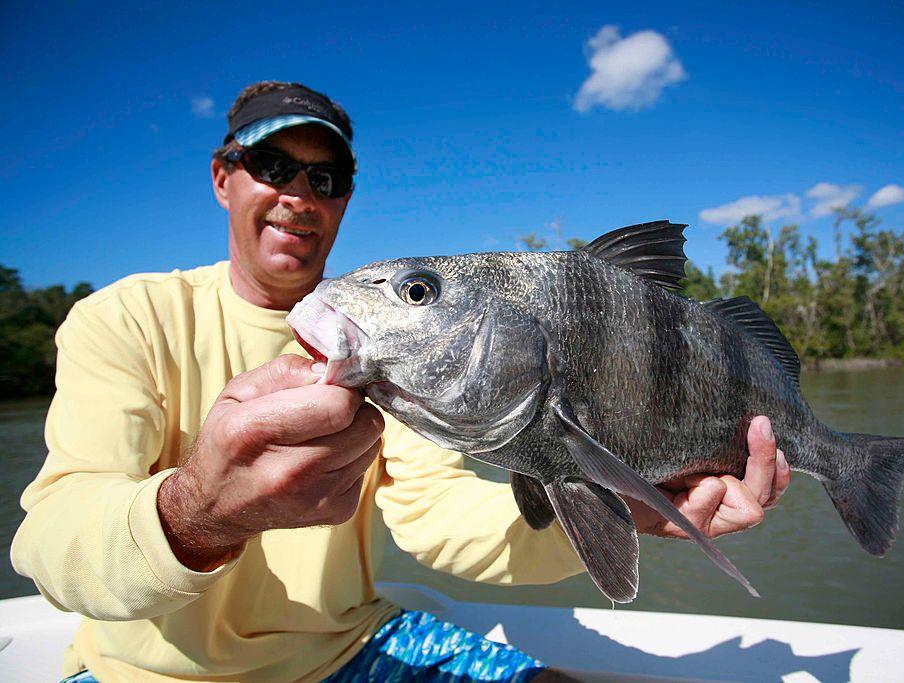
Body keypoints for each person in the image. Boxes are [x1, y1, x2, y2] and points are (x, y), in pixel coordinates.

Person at [11, 81, 790, 682]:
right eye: (273, 166)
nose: (300, 196)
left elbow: (440, 516)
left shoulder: (405, 357)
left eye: (329, 177)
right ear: (224, 178)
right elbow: (50, 541)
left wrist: (631, 505)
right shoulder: (123, 319)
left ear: (347, 195)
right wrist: (197, 513)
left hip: (349, 647)